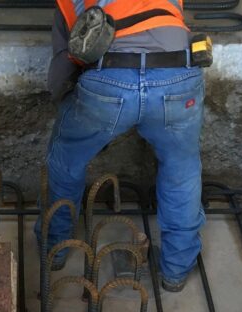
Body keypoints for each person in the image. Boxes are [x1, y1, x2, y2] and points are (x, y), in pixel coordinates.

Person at [36, 0, 205, 292]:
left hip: (110, 80)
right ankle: (176, 270)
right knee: (182, 167)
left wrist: (70, 107)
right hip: (177, 78)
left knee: (66, 159)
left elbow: (66, 63)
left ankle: (56, 250)